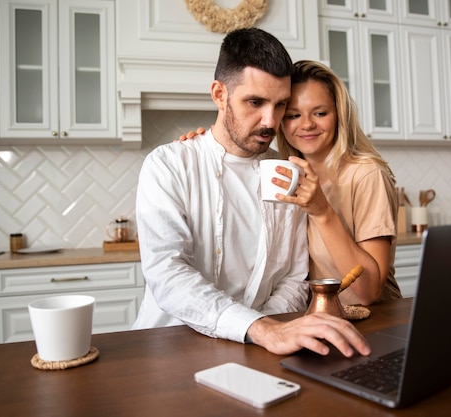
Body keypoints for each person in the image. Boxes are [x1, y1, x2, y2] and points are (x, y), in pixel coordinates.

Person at [133, 27, 370, 358]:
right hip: (169, 349)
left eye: (281, 105)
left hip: (259, 348)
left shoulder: (288, 173)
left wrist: (269, 331)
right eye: (255, 102)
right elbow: (168, 272)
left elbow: (293, 276)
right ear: (219, 94)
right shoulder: (168, 164)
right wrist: (260, 328)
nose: (270, 122)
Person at [181, 60, 401, 306]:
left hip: (373, 324)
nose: (306, 124)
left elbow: (368, 291)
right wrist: (205, 147)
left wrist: (322, 211)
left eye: (320, 113)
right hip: (315, 321)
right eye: (293, 115)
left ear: (339, 114)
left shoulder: (366, 175)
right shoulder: (284, 172)